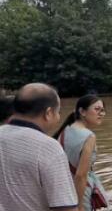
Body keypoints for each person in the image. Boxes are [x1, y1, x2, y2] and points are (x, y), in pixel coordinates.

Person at [0, 83, 78, 211]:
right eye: (58, 112)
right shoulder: (47, 146)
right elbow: (65, 207)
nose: (59, 118)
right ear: (48, 113)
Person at [53, 95, 108, 211]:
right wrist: (79, 206)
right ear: (82, 111)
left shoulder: (65, 130)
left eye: (103, 110)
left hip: (63, 190)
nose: (101, 114)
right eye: (97, 109)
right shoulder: (89, 136)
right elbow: (81, 176)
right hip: (80, 193)